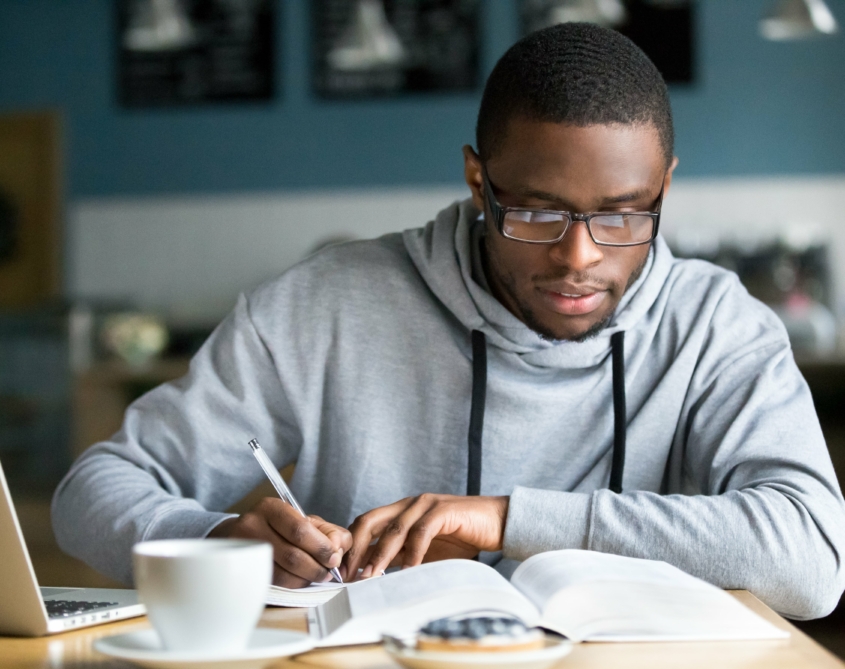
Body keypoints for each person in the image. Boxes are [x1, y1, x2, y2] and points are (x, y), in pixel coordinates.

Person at [53, 23, 845, 620]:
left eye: (622, 215)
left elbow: (811, 561)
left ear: (663, 185)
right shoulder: (323, 305)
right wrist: (219, 539)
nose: (578, 258)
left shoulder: (716, 326)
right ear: (478, 180)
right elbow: (92, 490)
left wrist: (504, 518)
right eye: (535, 211)